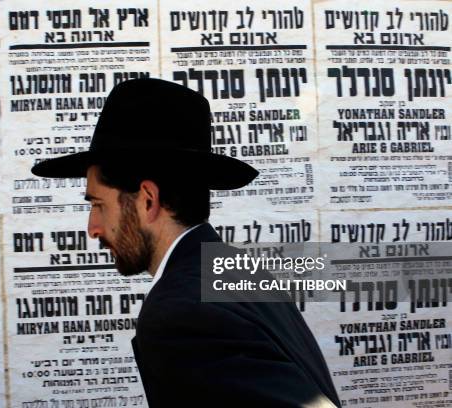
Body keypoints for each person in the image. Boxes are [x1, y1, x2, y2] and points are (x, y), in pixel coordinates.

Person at [32, 78, 341, 407]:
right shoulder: (241, 271)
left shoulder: (178, 312)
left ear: (148, 200)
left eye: (98, 205)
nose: (93, 228)